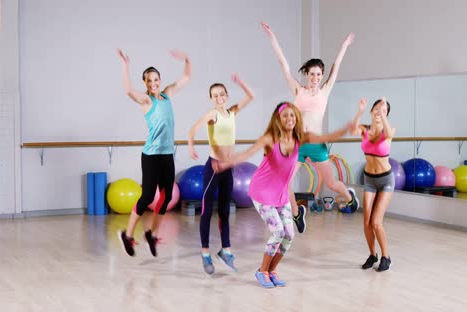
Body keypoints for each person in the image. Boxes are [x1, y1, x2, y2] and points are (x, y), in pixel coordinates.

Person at [213, 102, 353, 288]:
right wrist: (225, 163)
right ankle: (262, 271)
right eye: (285, 115)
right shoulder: (270, 139)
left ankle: (272, 271)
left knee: (289, 234)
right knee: (278, 232)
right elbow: (247, 153)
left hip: (280, 194)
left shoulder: (302, 138)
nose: (289, 119)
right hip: (262, 192)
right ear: (278, 119)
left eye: (292, 115)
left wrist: (347, 129)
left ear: (297, 118)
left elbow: (328, 136)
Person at [261, 22, 358, 234]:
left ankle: (350, 198)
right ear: (306, 74)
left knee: (331, 183)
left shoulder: (324, 91)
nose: (315, 78)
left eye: (318, 75)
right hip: (297, 144)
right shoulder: (298, 89)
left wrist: (344, 46)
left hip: (317, 145)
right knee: (284, 182)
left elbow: (336, 68)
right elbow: (283, 63)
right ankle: (297, 213)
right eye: (312, 74)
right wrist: (272, 37)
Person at [116, 48, 191, 257]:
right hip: (151, 156)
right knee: (148, 195)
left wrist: (186, 59)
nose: (153, 84)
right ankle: (128, 235)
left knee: (165, 198)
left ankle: (151, 233)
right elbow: (128, 91)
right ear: (145, 84)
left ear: (160, 80)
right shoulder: (147, 101)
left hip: (167, 155)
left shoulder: (167, 94)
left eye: (155, 79)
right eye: (149, 81)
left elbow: (186, 77)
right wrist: (125, 65)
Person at [187, 74, 254, 274]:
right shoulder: (212, 115)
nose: (219, 98)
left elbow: (250, 96)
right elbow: (192, 131)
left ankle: (226, 250)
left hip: (228, 169)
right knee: (207, 211)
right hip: (214, 167)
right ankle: (205, 253)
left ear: (226, 96)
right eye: (215, 96)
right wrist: (191, 147)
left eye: (222, 94)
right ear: (211, 99)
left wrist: (241, 82)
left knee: (225, 211)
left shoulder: (232, 113)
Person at [351, 98, 395, 272]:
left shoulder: (389, 130)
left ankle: (386, 257)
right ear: (371, 111)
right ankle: (372, 254)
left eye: (383, 110)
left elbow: (389, 135)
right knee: (367, 223)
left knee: (376, 222)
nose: (379, 112)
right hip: (369, 179)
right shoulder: (364, 130)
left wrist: (382, 113)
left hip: (386, 180)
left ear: (386, 115)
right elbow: (354, 129)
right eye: (376, 108)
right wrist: (360, 110)